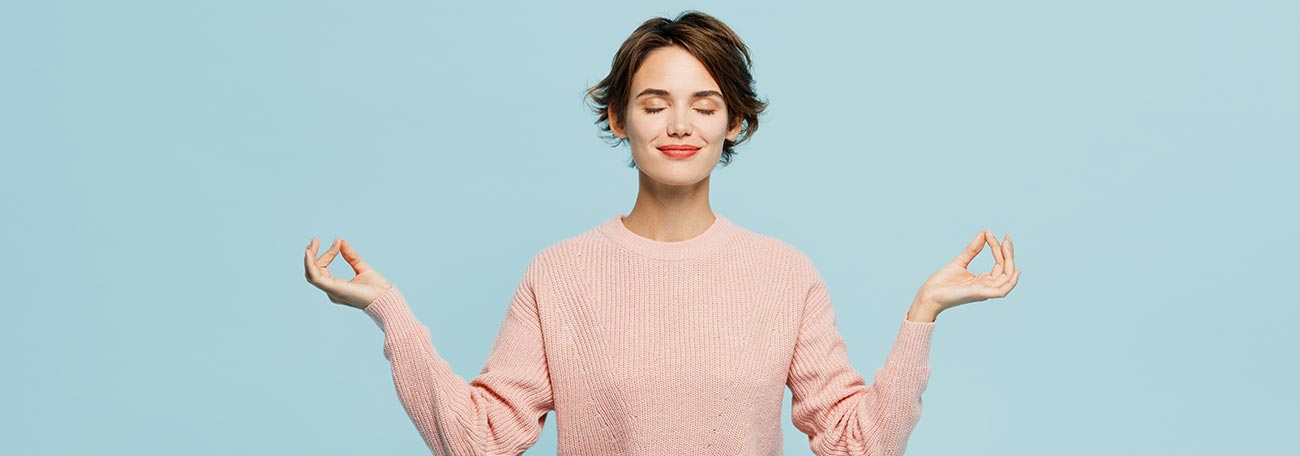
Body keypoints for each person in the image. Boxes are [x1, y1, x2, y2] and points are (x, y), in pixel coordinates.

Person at [304, 10, 1020, 456]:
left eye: (705, 106)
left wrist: (922, 314)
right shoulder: (561, 274)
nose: (680, 125)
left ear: (734, 124)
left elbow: (857, 446)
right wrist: (387, 310)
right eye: (655, 103)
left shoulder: (784, 274)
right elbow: (479, 440)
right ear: (619, 118)